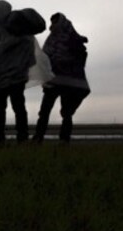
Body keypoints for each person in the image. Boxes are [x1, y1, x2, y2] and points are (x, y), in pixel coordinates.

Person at [0, 0, 52, 145]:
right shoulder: (24, 27)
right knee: (19, 107)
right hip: (18, 75)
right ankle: (22, 138)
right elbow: (31, 54)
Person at [32, 13, 91, 145]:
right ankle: (38, 138)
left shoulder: (73, 39)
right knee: (44, 111)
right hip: (53, 81)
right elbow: (45, 58)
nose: (52, 26)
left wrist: (64, 64)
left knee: (66, 112)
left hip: (67, 82)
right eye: (51, 23)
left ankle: (64, 139)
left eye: (55, 22)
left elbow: (80, 59)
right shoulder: (52, 39)